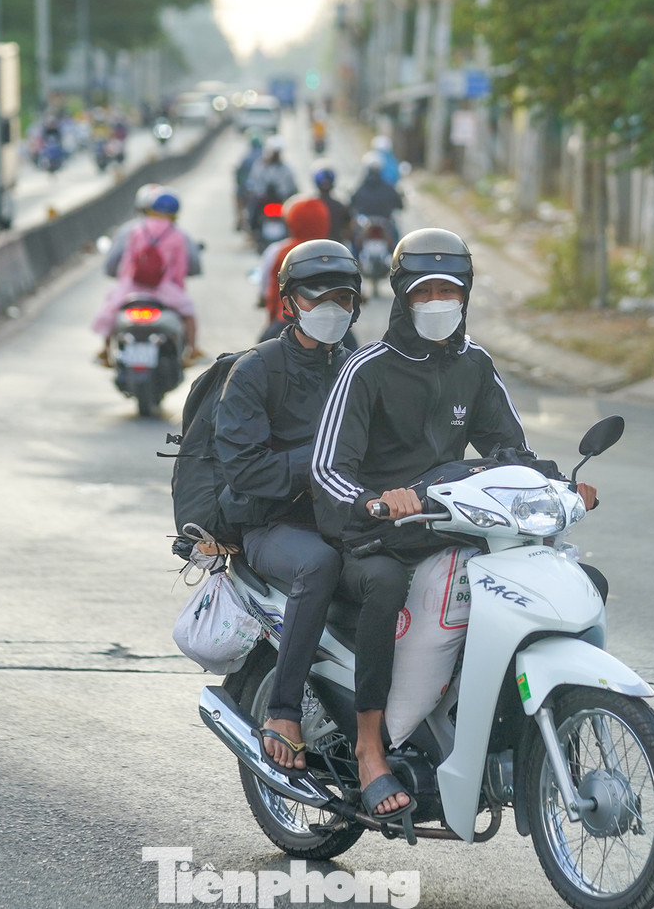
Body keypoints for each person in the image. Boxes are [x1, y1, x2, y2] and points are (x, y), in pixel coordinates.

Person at [311, 228, 599, 821]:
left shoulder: (475, 365)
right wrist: (375, 502)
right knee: (386, 587)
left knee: (559, 576)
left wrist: (559, 487)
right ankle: (370, 750)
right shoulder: (367, 368)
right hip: (374, 533)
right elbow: (326, 470)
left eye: (449, 289)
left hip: (453, 527)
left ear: (466, 293)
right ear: (400, 295)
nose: (438, 301)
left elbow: (510, 451)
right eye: (425, 291)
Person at [214, 240, 361, 771]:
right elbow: (246, 471)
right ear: (288, 304)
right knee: (319, 564)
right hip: (272, 525)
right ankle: (283, 710)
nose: (330, 309)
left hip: (346, 516)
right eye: (314, 297)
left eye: (342, 298)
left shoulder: (359, 370)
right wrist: (324, 460)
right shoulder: (256, 370)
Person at [90, 187, 201, 365]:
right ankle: (193, 351)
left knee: (111, 308)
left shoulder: (135, 230)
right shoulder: (178, 235)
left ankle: (105, 351)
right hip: (162, 289)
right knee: (189, 313)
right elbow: (179, 271)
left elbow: (127, 263)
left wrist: (124, 283)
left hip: (132, 286)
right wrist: (178, 290)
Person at [258, 195, 331, 334]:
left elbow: (265, 289)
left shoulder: (277, 251)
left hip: (285, 322)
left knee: (259, 352)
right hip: (329, 326)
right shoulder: (338, 252)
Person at [103, 184, 203, 280]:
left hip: (129, 290)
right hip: (169, 292)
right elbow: (194, 266)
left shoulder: (130, 230)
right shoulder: (179, 234)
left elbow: (111, 265)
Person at [245, 136, 298, 234]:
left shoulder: (286, 168)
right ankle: (252, 232)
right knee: (253, 212)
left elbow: (292, 187)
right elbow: (253, 182)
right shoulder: (259, 166)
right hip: (263, 200)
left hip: (281, 200)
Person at [348, 152, 404, 238]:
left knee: (353, 239)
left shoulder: (360, 188)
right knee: (396, 236)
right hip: (385, 224)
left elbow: (351, 204)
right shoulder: (389, 188)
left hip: (365, 225)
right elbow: (400, 205)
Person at [311, 162, 352, 247]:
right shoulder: (340, 206)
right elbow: (348, 230)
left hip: (314, 248)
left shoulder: (309, 206)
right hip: (337, 248)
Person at [234, 131, 265, 231]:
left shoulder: (247, 158)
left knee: (238, 197)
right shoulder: (265, 156)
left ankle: (240, 219)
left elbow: (239, 175)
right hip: (258, 190)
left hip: (254, 191)